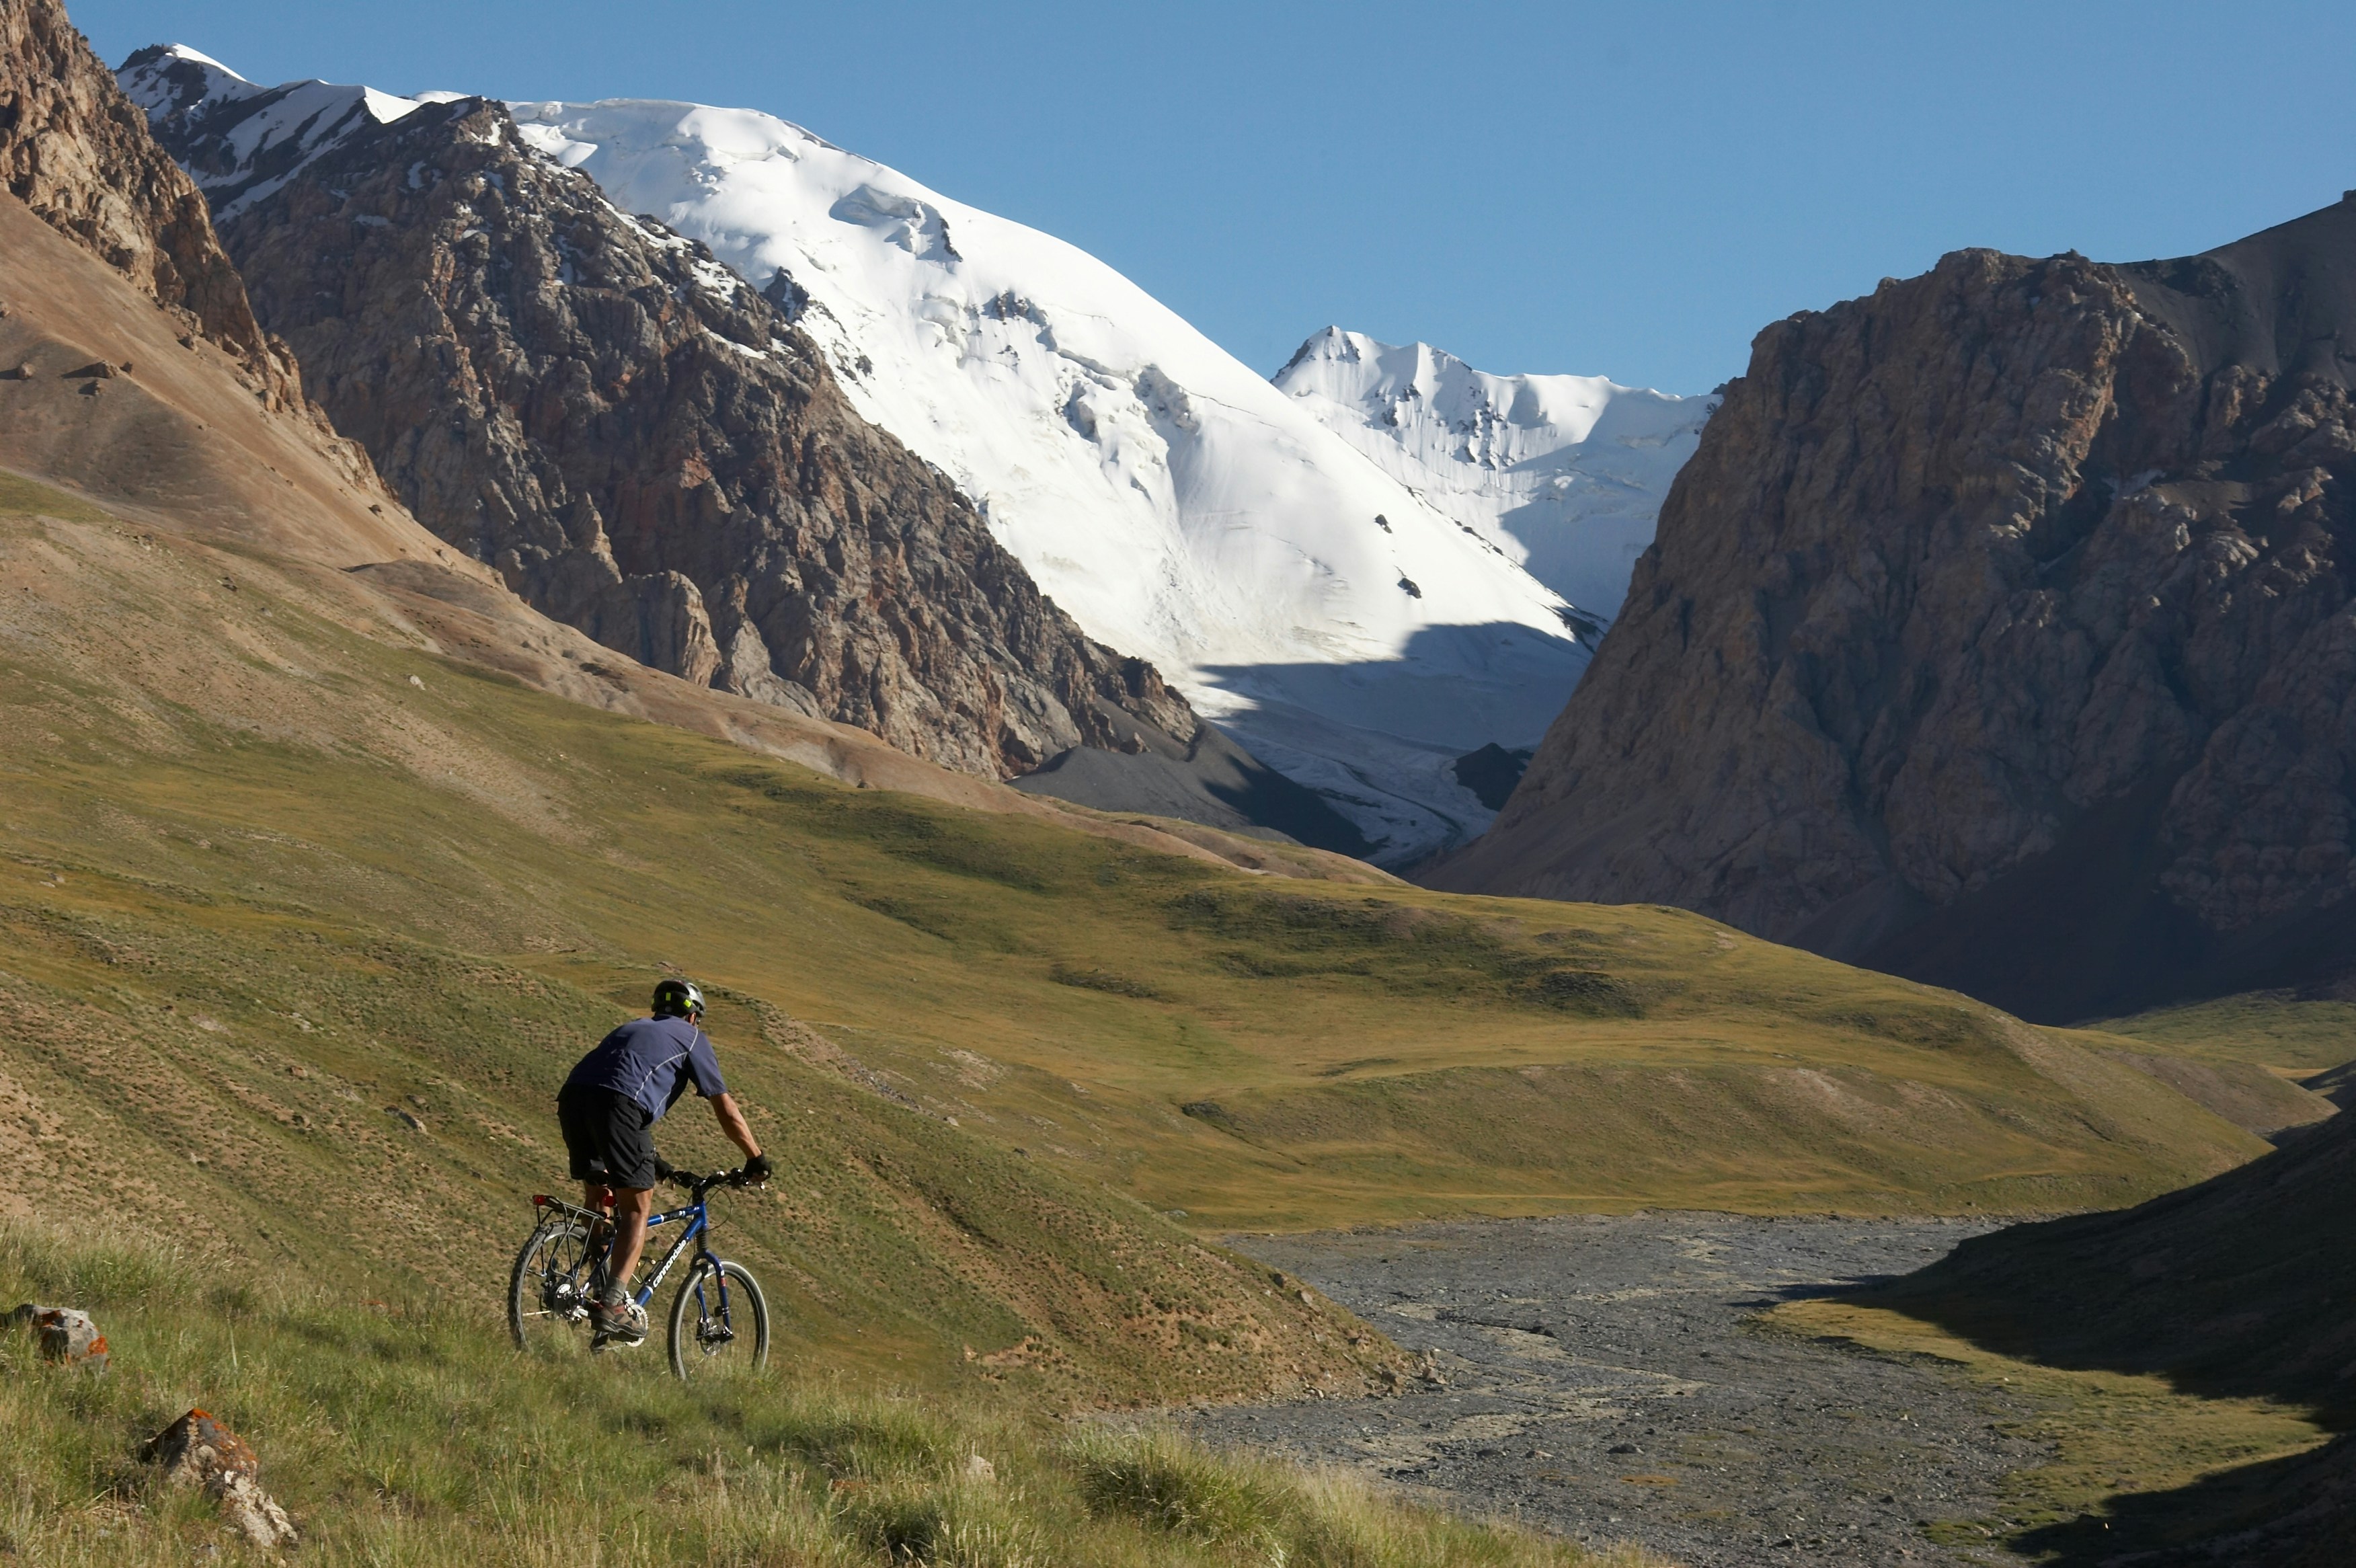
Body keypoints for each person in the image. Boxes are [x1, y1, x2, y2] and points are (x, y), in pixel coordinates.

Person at [556, 978, 771, 1347]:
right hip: (619, 1107)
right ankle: (613, 1304)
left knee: (600, 1191)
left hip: (574, 1099)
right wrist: (756, 1157)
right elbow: (725, 1109)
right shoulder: (691, 1038)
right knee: (637, 1211)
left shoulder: (631, 1027)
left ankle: (586, 1285)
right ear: (693, 1017)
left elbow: (614, 1093)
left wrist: (656, 1161)